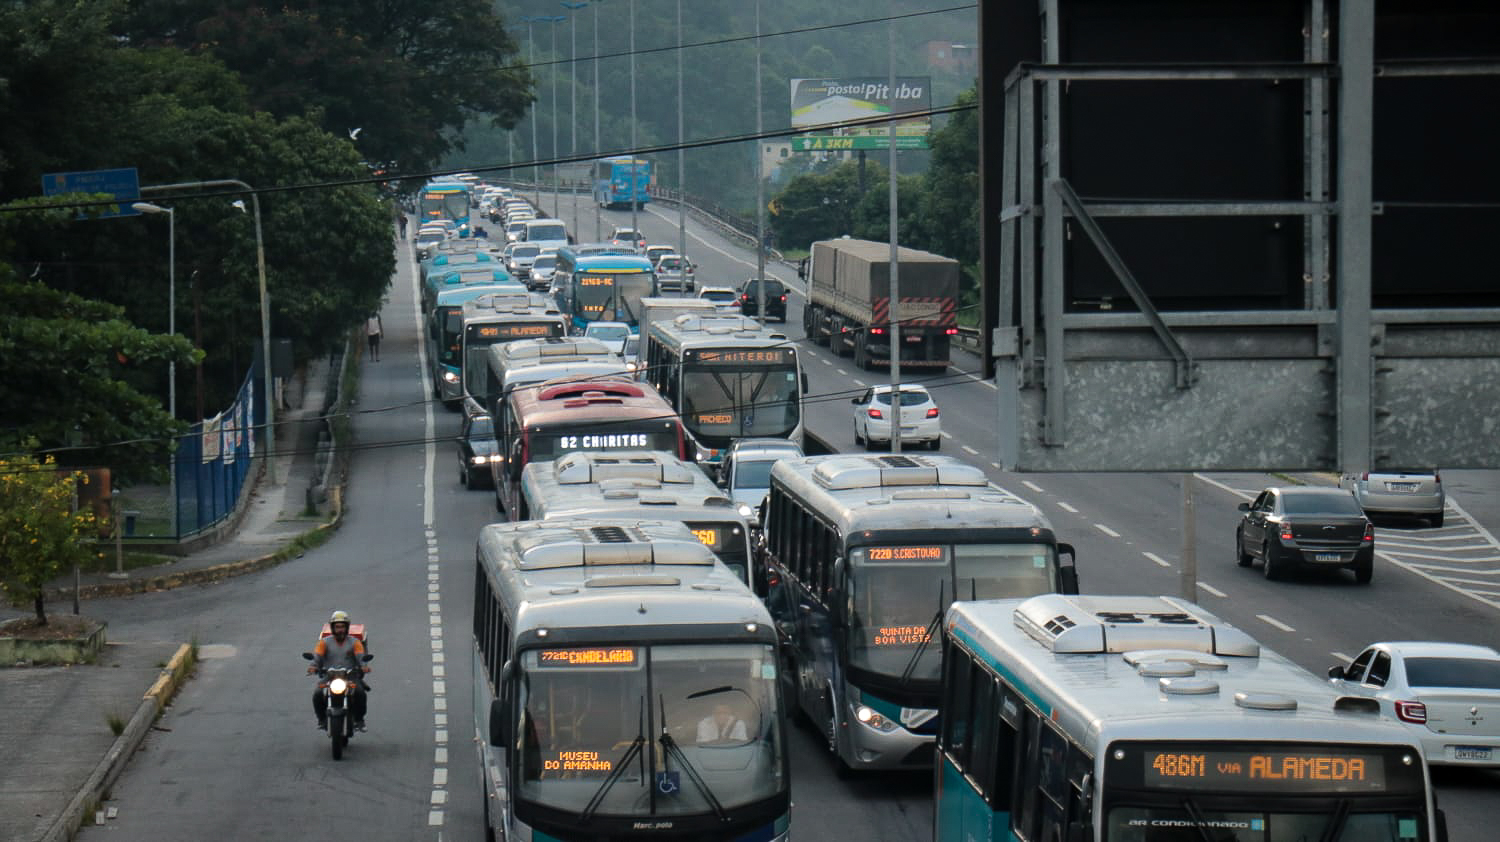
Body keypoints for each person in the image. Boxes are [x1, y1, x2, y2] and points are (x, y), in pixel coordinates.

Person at [308, 610, 370, 731]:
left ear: (347, 628)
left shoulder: (355, 642)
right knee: (317, 694)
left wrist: (364, 666)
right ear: (332, 628)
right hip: (329, 676)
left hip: (350, 676)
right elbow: (317, 656)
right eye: (337, 627)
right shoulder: (324, 643)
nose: (340, 630)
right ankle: (321, 719)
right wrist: (313, 666)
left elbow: (360, 656)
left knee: (360, 693)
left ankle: (359, 720)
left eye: (342, 627)